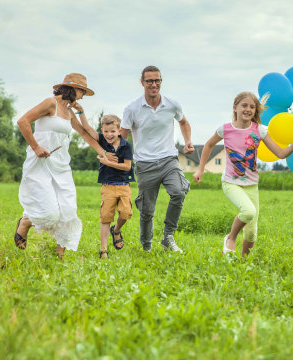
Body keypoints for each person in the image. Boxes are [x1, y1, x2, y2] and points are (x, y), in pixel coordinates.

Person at [193, 92, 293, 257]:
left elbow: (280, 154)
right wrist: (200, 169)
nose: (248, 109)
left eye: (252, 107)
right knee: (248, 212)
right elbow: (209, 145)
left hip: (252, 185)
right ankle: (230, 238)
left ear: (255, 111)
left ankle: (243, 264)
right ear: (235, 107)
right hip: (231, 183)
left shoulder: (259, 131)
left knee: (252, 232)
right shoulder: (225, 129)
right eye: (244, 105)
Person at [14, 73, 108, 259]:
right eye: (82, 92)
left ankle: (60, 257)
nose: (82, 96)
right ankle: (25, 222)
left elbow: (83, 133)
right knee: (48, 211)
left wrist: (103, 153)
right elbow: (22, 121)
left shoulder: (69, 111)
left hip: (62, 165)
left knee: (67, 210)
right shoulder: (50, 103)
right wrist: (36, 147)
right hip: (41, 163)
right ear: (73, 89)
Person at [120, 65, 194, 253]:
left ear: (161, 81)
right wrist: (121, 160)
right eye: (150, 81)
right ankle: (146, 246)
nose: (154, 84)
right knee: (146, 210)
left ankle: (168, 236)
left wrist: (188, 142)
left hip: (169, 159)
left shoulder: (172, 104)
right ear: (142, 82)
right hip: (145, 164)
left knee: (178, 192)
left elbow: (183, 122)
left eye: (157, 80)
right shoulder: (132, 108)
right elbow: (124, 136)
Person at [77, 112, 134, 259]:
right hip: (108, 186)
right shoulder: (102, 140)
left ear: (119, 131)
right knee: (106, 218)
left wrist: (109, 163)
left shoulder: (126, 145)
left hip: (124, 185)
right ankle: (103, 250)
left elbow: (127, 166)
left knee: (126, 213)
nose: (109, 135)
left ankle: (116, 230)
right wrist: (81, 112)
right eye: (106, 131)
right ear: (102, 131)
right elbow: (87, 128)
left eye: (113, 131)